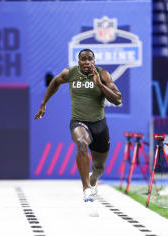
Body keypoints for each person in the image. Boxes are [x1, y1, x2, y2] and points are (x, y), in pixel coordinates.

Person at [34, 49, 121, 202]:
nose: (87, 62)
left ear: (94, 61)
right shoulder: (70, 73)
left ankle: (92, 180)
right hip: (79, 121)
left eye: (90, 59)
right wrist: (43, 103)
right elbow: (55, 82)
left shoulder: (103, 74)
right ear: (78, 61)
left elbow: (117, 100)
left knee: (99, 167)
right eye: (83, 59)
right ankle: (86, 188)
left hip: (99, 125)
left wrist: (100, 85)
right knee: (81, 143)